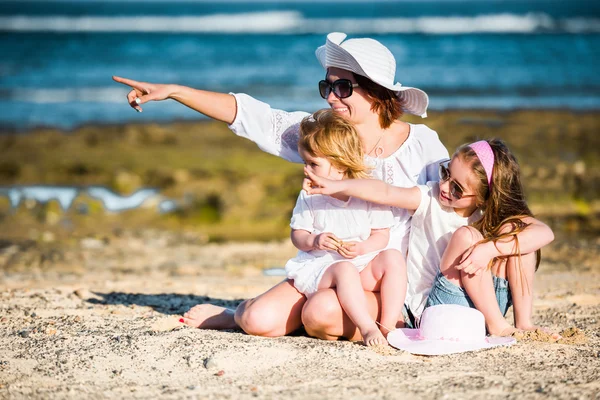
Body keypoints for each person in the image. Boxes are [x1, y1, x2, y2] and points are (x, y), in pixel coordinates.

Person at [113, 32, 449, 341]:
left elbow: (449, 213)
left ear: (375, 91)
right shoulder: (321, 134)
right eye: (326, 86)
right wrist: (176, 91)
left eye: (343, 87)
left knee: (321, 314)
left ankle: (339, 317)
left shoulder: (420, 144)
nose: (331, 97)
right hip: (323, 267)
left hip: (386, 282)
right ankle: (235, 314)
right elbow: (251, 115)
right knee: (257, 321)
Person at [304, 138, 556, 336]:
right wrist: (339, 185)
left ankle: (522, 323)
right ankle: (497, 327)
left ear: (484, 197)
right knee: (466, 236)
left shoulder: (491, 215)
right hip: (435, 307)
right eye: (446, 173)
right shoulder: (429, 198)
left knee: (518, 236)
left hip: (487, 304)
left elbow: (544, 232)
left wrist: (490, 249)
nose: (445, 186)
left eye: (457, 188)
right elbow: (385, 191)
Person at [287, 109, 405, 346]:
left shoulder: (366, 192)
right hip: (324, 267)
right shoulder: (309, 196)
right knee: (344, 269)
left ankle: (391, 325)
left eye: (313, 164)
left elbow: (381, 236)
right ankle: (368, 327)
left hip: (360, 264)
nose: (306, 170)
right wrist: (314, 241)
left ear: (340, 166)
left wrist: (362, 248)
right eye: (305, 162)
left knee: (392, 257)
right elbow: (297, 235)